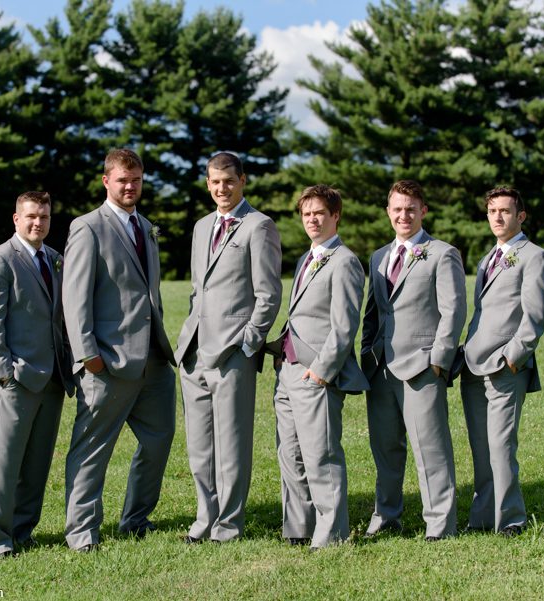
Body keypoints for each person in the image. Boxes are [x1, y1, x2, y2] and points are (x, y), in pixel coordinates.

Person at [62, 148, 176, 552]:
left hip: (154, 360)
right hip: (106, 361)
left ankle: (135, 519)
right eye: (123, 180)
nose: (130, 187)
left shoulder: (145, 226)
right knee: (92, 449)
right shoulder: (87, 227)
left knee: (160, 440)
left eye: (137, 180)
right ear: (106, 181)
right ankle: (81, 533)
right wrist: (87, 354)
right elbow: (75, 297)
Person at [175, 151, 282, 543]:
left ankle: (228, 524)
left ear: (242, 181)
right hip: (194, 354)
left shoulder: (260, 226)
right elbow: (196, 290)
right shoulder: (202, 226)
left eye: (229, 181)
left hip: (233, 353)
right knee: (199, 446)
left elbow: (268, 294)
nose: (222, 189)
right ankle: (205, 519)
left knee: (232, 444)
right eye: (215, 182)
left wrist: (247, 343)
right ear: (207, 183)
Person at [360, 180, 466, 541]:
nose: (403, 215)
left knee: (430, 448)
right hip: (381, 370)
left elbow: (453, 312)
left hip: (423, 367)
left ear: (423, 211)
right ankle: (386, 516)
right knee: (385, 449)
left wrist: (439, 360)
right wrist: (366, 355)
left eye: (410, 208)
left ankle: (439, 524)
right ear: (388, 212)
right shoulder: (377, 257)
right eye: (397, 209)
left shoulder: (442, 253)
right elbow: (372, 315)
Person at [267, 185, 367, 549]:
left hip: (317, 373)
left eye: (320, 213)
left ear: (335, 216)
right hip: (288, 370)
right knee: (290, 454)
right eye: (307, 213)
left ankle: (332, 534)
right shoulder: (305, 258)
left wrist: (322, 370)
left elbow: (344, 325)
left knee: (320, 455)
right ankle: (298, 528)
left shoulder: (345, 261)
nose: (312, 219)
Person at [0, 191, 75, 557]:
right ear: (16, 219)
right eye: (31, 216)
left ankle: (22, 531)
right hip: (12, 381)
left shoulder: (55, 260)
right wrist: (4, 375)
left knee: (36, 465)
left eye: (44, 217)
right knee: (2, 466)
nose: (38, 223)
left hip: (51, 379)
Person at [460, 187, 544, 536]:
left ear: (521, 216)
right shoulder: (488, 257)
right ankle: (482, 518)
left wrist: (512, 358)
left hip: (504, 368)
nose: (497, 217)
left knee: (501, 447)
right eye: (492, 211)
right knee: (481, 448)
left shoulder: (535, 257)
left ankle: (510, 519)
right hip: (472, 366)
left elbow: (535, 316)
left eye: (504, 211)